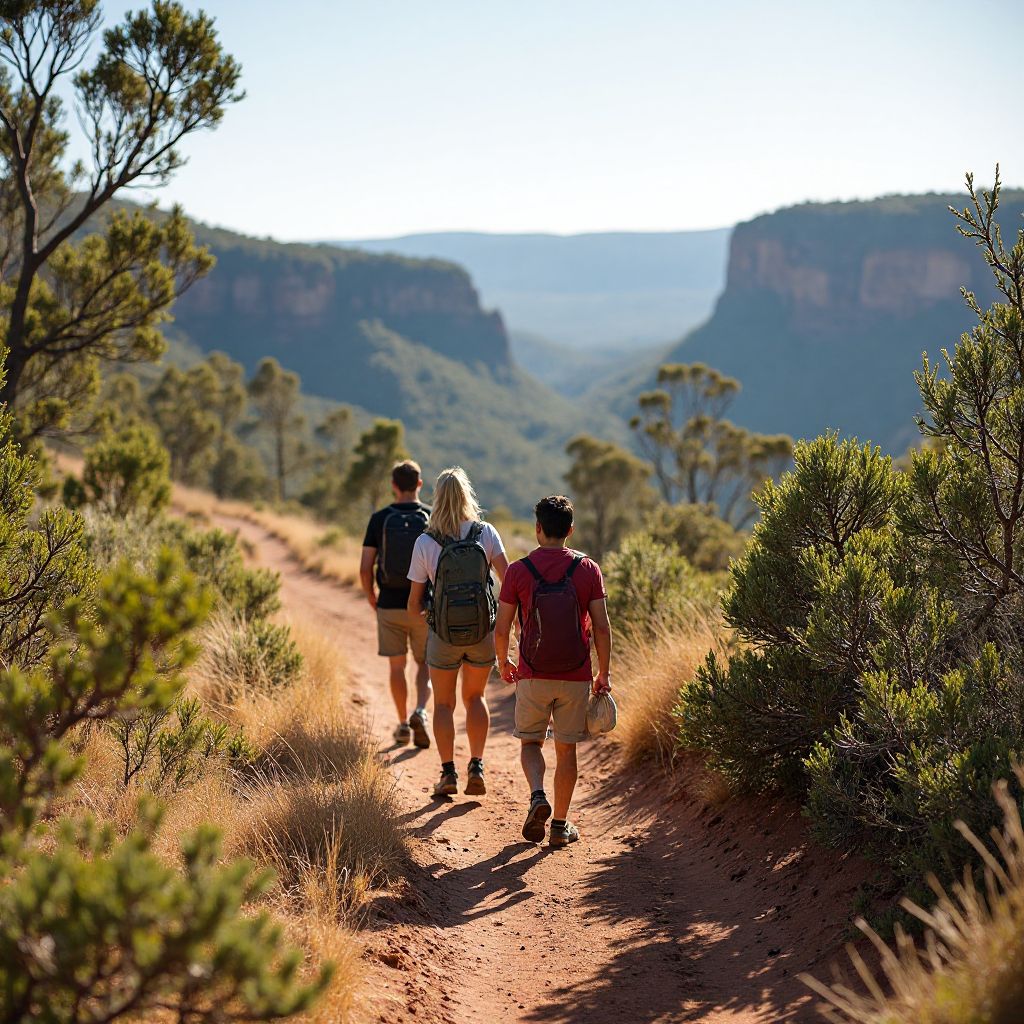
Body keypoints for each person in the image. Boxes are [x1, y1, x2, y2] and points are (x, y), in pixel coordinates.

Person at [494, 495, 611, 848]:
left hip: (533, 673)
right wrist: (603, 674)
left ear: (538, 528)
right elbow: (602, 627)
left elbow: (502, 627)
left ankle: (537, 796)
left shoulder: (518, 571)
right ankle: (559, 826)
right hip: (576, 675)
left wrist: (504, 661)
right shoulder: (588, 568)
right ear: (570, 530)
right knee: (566, 750)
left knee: (531, 742)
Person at [407, 467, 508, 798]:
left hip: (444, 635)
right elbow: (509, 582)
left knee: (444, 703)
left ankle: (448, 772)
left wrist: (431, 614)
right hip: (481, 632)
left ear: (437, 498)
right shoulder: (486, 533)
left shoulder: (425, 541)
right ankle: (476, 766)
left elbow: (413, 604)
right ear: (467, 496)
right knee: (476, 697)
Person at [360, 460, 433, 748]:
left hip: (389, 602)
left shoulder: (379, 518)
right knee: (424, 663)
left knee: (396, 667)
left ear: (393, 486)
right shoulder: (432, 516)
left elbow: (365, 567)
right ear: (419, 484)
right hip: (424, 605)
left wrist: (372, 596)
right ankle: (421, 711)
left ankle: (403, 724)